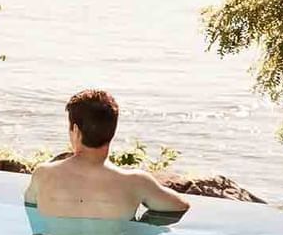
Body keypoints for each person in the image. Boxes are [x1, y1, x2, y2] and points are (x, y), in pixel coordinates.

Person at [24, 89, 190, 222]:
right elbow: (180, 206)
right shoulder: (136, 182)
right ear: (113, 130)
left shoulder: (43, 174)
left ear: (75, 130)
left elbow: (30, 204)